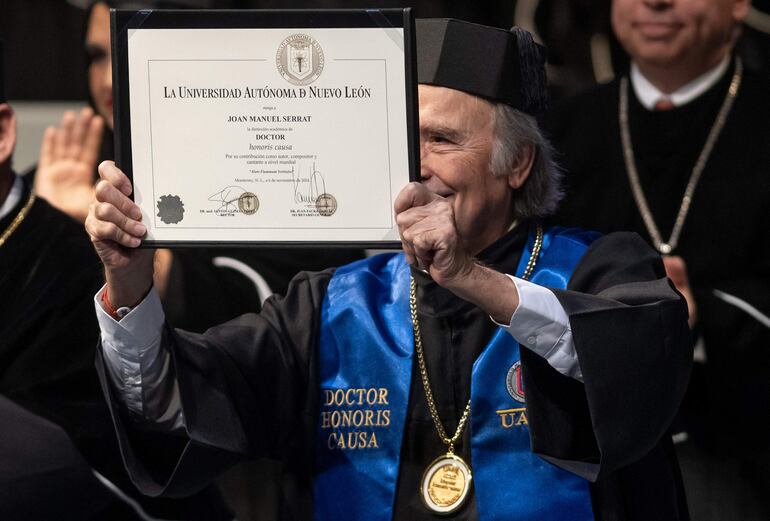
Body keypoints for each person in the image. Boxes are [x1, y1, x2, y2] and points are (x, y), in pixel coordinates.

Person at [86, 19, 692, 521]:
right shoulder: (330, 306)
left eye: (441, 140)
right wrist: (130, 283)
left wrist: (471, 278)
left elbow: (635, 372)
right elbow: (170, 406)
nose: (414, 165)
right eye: (398, 139)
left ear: (518, 162)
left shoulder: (600, 267)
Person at [545, 0, 770, 519]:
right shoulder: (560, 130)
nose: (655, 1)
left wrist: (707, 314)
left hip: (740, 451)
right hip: (583, 453)